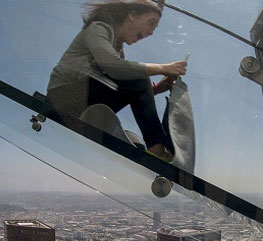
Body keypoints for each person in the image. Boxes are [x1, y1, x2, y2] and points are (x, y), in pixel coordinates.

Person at [46, 0, 187, 162]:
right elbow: (113, 66)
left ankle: (156, 148)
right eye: (150, 23)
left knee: (137, 145)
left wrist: (154, 89)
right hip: (63, 98)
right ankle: (157, 149)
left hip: (81, 100)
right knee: (135, 75)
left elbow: (125, 88)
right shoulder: (98, 28)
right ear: (132, 16)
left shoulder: (116, 47)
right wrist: (163, 68)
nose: (150, 33)